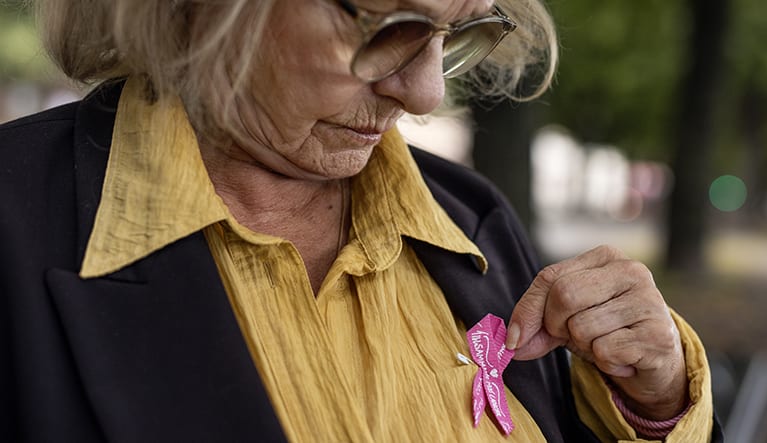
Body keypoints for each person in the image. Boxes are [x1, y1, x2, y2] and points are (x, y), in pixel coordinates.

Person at [0, 0, 722, 441]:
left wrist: (648, 406)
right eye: (393, 25)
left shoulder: (470, 220)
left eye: (459, 30)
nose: (424, 91)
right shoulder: (17, 218)